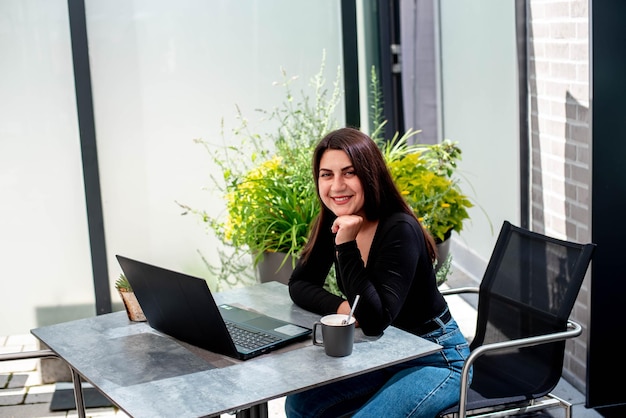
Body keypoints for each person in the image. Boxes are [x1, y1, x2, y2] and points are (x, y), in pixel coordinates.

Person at [285, 127, 471, 418]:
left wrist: (346, 245)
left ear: (369, 174)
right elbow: (300, 284)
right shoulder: (335, 220)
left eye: (349, 173)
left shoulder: (398, 229)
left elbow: (374, 322)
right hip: (389, 352)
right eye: (327, 174)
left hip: (436, 357)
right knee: (301, 405)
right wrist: (344, 307)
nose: (336, 186)